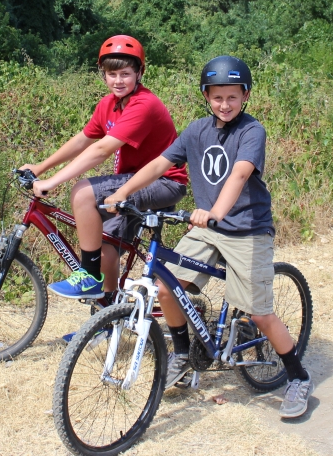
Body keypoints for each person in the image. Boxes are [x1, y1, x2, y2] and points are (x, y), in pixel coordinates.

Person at [105, 55, 313, 419]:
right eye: (217, 97)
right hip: (206, 229)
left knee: (260, 315)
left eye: (232, 97)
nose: (225, 104)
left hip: (246, 229)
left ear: (245, 96)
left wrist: (216, 212)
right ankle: (184, 356)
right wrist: (125, 192)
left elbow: (238, 175)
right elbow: (158, 164)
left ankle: (298, 377)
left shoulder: (252, 132)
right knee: (165, 287)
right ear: (206, 96)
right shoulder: (197, 130)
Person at [21, 34, 187, 302]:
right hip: (134, 180)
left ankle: (89, 276)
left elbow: (101, 150)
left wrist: (52, 182)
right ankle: (108, 314)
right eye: (112, 74)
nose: (118, 81)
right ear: (103, 75)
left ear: (140, 73)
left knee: (82, 192)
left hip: (164, 181)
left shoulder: (144, 104)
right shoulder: (108, 105)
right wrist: (41, 167)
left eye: (125, 74)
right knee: (106, 246)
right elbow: (83, 139)